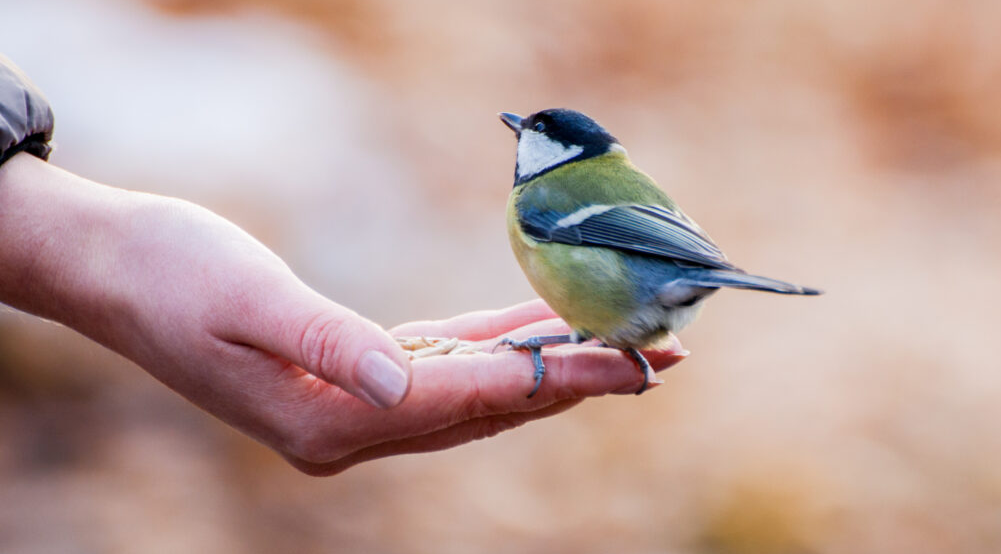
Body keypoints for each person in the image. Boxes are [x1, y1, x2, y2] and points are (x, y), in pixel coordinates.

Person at [0, 55, 684, 475]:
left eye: (530, 131)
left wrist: (101, 251)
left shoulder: (548, 193)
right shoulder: (556, 189)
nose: (517, 132)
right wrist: (103, 255)